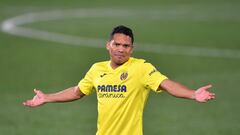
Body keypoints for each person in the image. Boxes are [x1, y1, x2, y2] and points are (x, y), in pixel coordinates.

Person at [23, 25, 215, 135]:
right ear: (108, 45)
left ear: (132, 49)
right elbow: (77, 91)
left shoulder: (141, 68)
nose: (121, 49)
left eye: (126, 46)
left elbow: (167, 84)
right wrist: (47, 97)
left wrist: (192, 94)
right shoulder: (97, 69)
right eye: (117, 44)